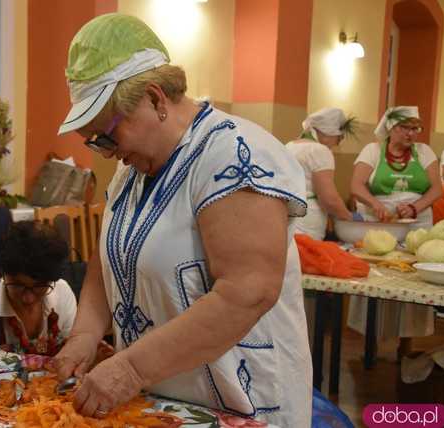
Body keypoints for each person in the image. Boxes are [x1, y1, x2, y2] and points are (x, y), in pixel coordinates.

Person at [53, 14, 311, 427]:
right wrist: (85, 335)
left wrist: (131, 369)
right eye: (93, 140)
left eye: (107, 136)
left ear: (156, 99)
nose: (104, 152)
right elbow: (108, 265)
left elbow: (248, 291)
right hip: (161, 403)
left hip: (239, 405)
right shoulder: (131, 172)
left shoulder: (234, 154)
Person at [348, 106, 441, 340]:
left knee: (413, 278)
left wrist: (413, 207)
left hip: (416, 222)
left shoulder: (424, 151)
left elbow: (436, 188)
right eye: (405, 128)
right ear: (391, 127)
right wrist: (376, 205)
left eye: (415, 128)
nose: (411, 134)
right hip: (382, 224)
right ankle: (372, 338)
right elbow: (356, 185)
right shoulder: (373, 151)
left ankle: (408, 342)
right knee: (378, 274)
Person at [0, 221, 78, 355]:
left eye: (39, 286)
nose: (28, 298)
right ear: (3, 274)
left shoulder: (62, 294)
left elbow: (73, 349)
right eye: (18, 285)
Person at [286, 107, 358, 240]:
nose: (339, 141)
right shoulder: (320, 151)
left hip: (287, 220)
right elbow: (329, 199)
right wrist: (349, 217)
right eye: (339, 136)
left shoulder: (289, 146)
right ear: (326, 131)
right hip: (307, 223)